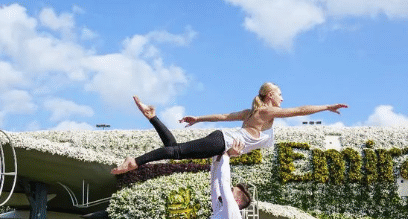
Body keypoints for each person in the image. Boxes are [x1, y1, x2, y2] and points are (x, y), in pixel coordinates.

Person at [110, 83, 348, 174]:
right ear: (270, 96)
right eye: (280, 95)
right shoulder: (266, 111)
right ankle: (135, 162)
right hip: (223, 141)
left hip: (222, 139)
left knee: (174, 149)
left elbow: (224, 116)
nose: (283, 99)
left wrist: (199, 119)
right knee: (176, 153)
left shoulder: (252, 112)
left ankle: (153, 117)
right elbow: (299, 111)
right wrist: (326, 106)